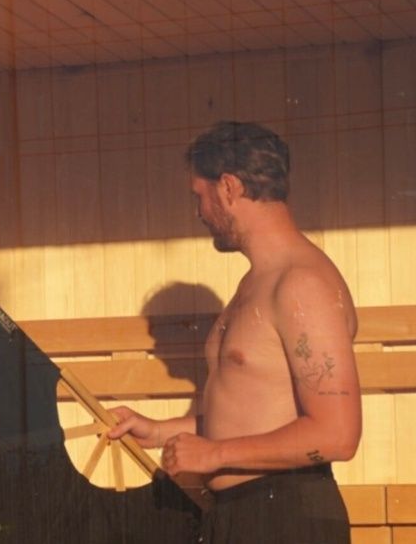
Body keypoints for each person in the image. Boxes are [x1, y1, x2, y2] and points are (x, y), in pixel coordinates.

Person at [109, 121, 361, 543]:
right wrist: (159, 430)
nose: (199, 213)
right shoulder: (259, 281)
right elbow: (251, 412)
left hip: (286, 517)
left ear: (228, 187)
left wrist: (215, 454)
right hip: (242, 514)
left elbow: (338, 435)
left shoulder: (301, 284)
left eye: (199, 196)